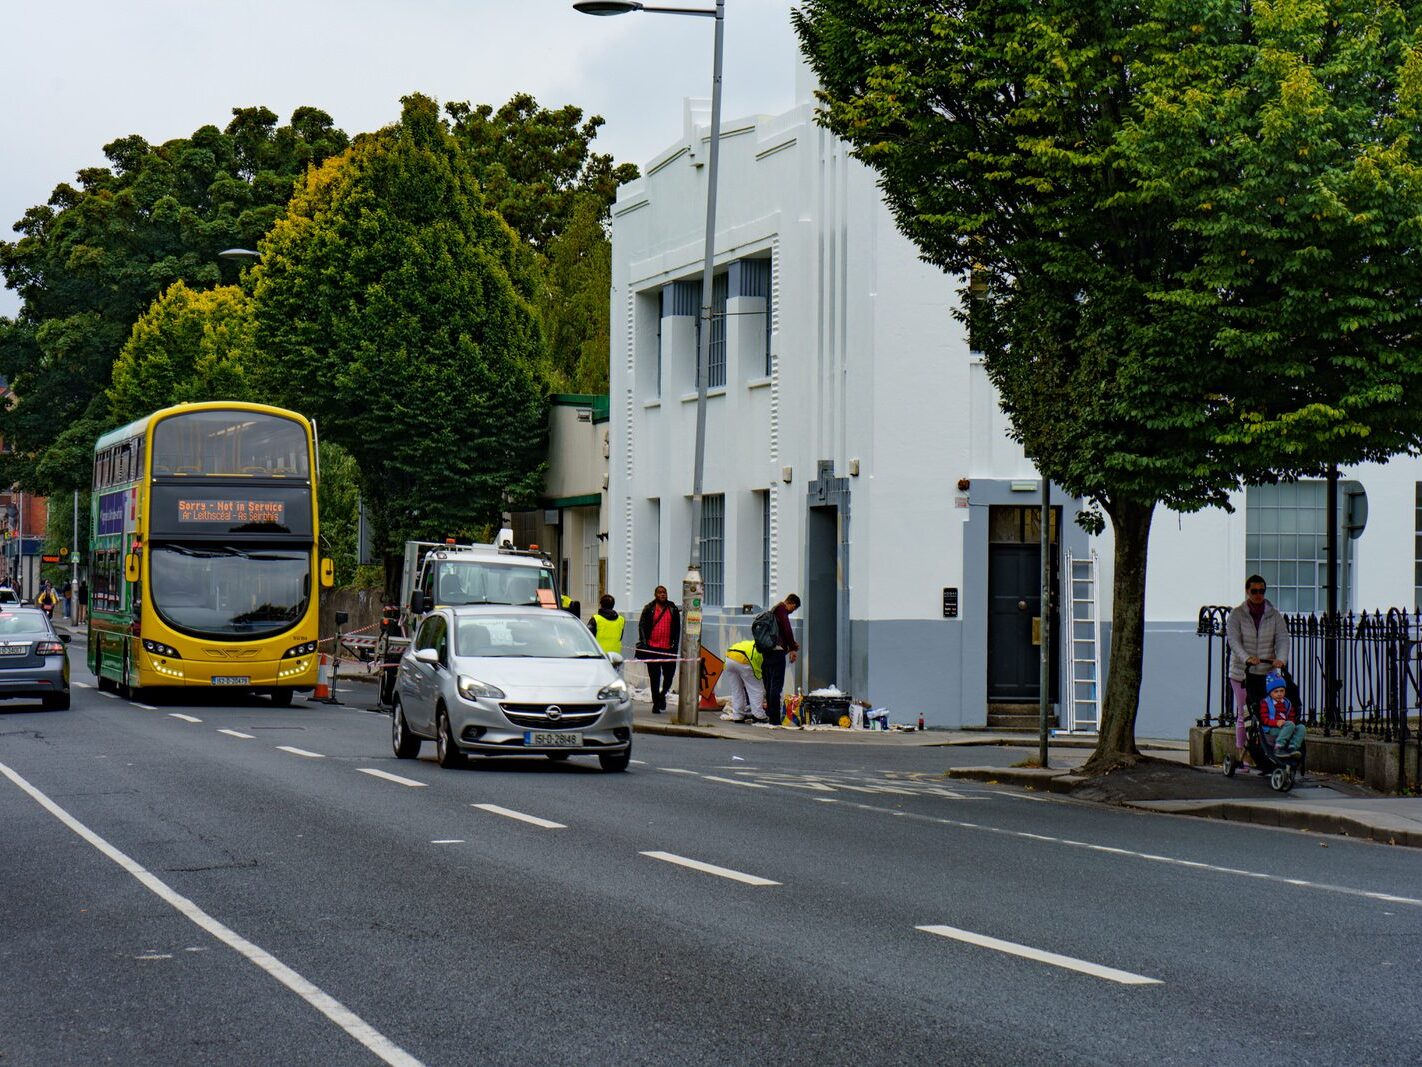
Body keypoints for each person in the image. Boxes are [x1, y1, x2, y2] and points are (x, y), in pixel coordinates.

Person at [1225, 575, 1288, 773]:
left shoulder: (1274, 615)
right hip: (1242, 674)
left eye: (1262, 591)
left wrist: (1281, 658)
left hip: (1266, 672)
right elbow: (1234, 641)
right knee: (1243, 714)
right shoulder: (1237, 615)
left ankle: (1266, 753)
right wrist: (1246, 658)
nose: (1258, 595)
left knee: (1268, 713)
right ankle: (1241, 755)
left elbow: (1282, 639)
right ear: (1247, 592)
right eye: (1254, 591)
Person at [636, 586, 680, 714]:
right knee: (655, 677)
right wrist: (644, 643)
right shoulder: (649, 608)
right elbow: (642, 626)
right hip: (652, 647)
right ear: (655, 594)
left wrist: (675, 645)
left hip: (668, 649)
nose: (663, 595)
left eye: (664, 592)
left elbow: (677, 629)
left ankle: (663, 694)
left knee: (669, 677)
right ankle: (656, 703)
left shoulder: (673, 609)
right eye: (660, 593)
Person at [761, 593, 801, 726]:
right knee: (776, 686)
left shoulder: (773, 610)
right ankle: (775, 719)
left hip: (767, 651)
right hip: (777, 652)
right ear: (792, 604)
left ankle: (770, 716)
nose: (791, 612)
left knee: (769, 684)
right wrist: (793, 646)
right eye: (793, 609)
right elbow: (787, 630)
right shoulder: (782, 611)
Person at [718, 637, 767, 723]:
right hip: (743, 659)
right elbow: (760, 670)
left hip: (729, 658)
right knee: (756, 689)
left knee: (737, 690)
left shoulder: (751, 643)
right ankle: (759, 715)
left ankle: (738, 715)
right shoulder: (763, 650)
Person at [1259, 671, 1305, 758]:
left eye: (1282, 691)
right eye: (1276, 691)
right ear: (1270, 692)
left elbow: (1291, 718)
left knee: (1301, 728)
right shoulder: (1266, 703)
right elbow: (1264, 719)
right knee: (1290, 724)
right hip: (1272, 728)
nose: (1279, 694)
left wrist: (1291, 725)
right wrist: (1276, 723)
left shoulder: (1287, 703)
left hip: (1286, 727)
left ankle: (1292, 747)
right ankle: (1278, 747)